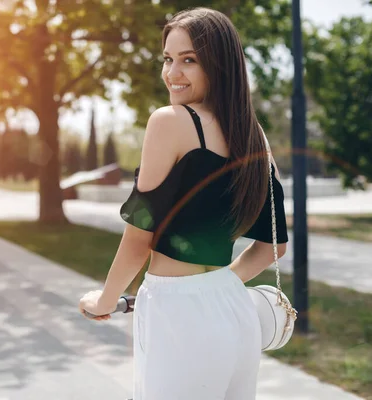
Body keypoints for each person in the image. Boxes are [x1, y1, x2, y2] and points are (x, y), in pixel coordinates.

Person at [78, 7, 289, 400]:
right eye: (168, 59)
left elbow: (139, 237)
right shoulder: (254, 136)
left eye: (188, 60)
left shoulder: (170, 122)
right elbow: (272, 247)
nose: (172, 73)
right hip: (235, 312)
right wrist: (215, 286)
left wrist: (103, 301)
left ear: (219, 65)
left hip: (178, 316)